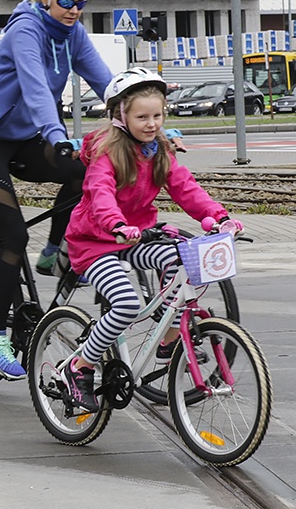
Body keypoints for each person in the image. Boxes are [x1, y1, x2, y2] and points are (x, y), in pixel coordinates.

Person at [0, 0, 114, 380]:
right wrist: (56, 133)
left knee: (85, 170)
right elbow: (35, 86)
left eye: (80, 3)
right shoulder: (25, 29)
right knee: (13, 236)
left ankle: (54, 255)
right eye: (64, 1)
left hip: (26, 140)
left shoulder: (73, 34)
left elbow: (106, 82)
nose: (73, 10)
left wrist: (140, 110)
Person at [61, 68, 243, 412]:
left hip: (136, 239)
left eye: (157, 116)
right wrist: (116, 224)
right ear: (120, 116)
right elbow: (100, 195)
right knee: (126, 304)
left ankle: (169, 339)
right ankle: (80, 366)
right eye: (142, 117)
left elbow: (186, 189)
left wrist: (220, 217)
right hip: (95, 243)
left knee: (180, 259)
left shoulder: (159, 151)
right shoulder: (107, 153)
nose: (151, 124)